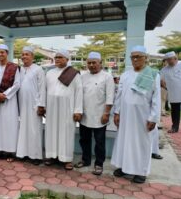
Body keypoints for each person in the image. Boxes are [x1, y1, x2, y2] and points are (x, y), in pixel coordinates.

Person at [112, 45, 160, 184]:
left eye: (138, 56)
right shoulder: (126, 75)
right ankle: (123, 167)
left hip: (143, 117)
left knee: (141, 143)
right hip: (126, 116)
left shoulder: (153, 74)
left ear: (145, 58)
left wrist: (153, 118)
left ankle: (141, 171)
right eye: (133, 57)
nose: (135, 59)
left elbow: (156, 98)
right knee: (124, 141)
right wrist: (117, 112)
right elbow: (119, 95)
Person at [75, 52, 115, 175]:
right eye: (89, 63)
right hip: (85, 115)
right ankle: (86, 160)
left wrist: (106, 113)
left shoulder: (107, 77)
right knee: (84, 140)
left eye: (94, 63)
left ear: (100, 63)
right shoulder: (83, 77)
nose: (91, 65)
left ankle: (99, 164)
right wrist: (78, 111)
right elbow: (79, 95)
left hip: (100, 115)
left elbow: (110, 97)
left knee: (99, 142)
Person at [45, 49, 83, 170]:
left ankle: (66, 158)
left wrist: (78, 110)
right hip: (52, 108)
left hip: (67, 109)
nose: (57, 59)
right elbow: (44, 90)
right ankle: (52, 155)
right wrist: (43, 106)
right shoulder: (49, 73)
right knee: (51, 131)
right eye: (56, 57)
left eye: (60, 57)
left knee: (66, 132)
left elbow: (79, 92)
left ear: (67, 59)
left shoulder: (74, 74)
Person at [0, 44, 20, 162]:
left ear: (7, 53)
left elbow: (17, 84)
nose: (0, 54)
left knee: (9, 125)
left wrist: (5, 95)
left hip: (9, 101)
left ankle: (10, 152)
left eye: (2, 52)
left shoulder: (14, 68)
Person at [16, 46, 46, 165]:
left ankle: (36, 156)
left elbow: (42, 88)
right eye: (22, 55)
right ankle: (23, 153)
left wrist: (41, 105)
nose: (24, 57)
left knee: (34, 130)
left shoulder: (38, 69)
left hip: (35, 104)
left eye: (27, 54)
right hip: (22, 104)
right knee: (23, 129)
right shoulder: (20, 70)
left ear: (32, 56)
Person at [160, 51, 181, 133]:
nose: (168, 61)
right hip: (174, 93)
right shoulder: (164, 69)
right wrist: (164, 85)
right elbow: (161, 80)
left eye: (170, 59)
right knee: (175, 111)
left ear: (175, 58)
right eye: (167, 60)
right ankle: (175, 127)